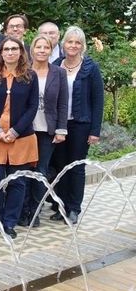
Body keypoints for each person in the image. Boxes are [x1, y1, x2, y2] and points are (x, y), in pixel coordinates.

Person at [0, 37, 39, 238]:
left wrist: (15, 131)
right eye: (6, 49)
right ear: (1, 53)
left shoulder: (30, 76)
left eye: (14, 49)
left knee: (17, 183)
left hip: (20, 138)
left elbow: (32, 107)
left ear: (21, 52)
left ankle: (10, 223)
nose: (10, 52)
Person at [49, 26, 104, 224]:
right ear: (63, 44)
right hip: (59, 124)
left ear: (82, 46)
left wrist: (95, 130)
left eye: (77, 42)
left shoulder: (90, 68)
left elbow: (98, 100)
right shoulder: (56, 65)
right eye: (70, 41)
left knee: (76, 167)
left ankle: (74, 208)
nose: (73, 45)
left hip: (81, 124)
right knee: (60, 166)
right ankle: (61, 206)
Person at [18, 35, 67, 227]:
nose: (42, 50)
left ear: (50, 50)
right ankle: (22, 211)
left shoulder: (59, 73)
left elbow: (63, 103)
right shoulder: (23, 71)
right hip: (26, 129)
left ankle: (35, 211)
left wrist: (61, 129)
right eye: (38, 47)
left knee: (41, 171)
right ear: (32, 50)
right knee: (23, 171)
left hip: (47, 130)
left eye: (46, 47)